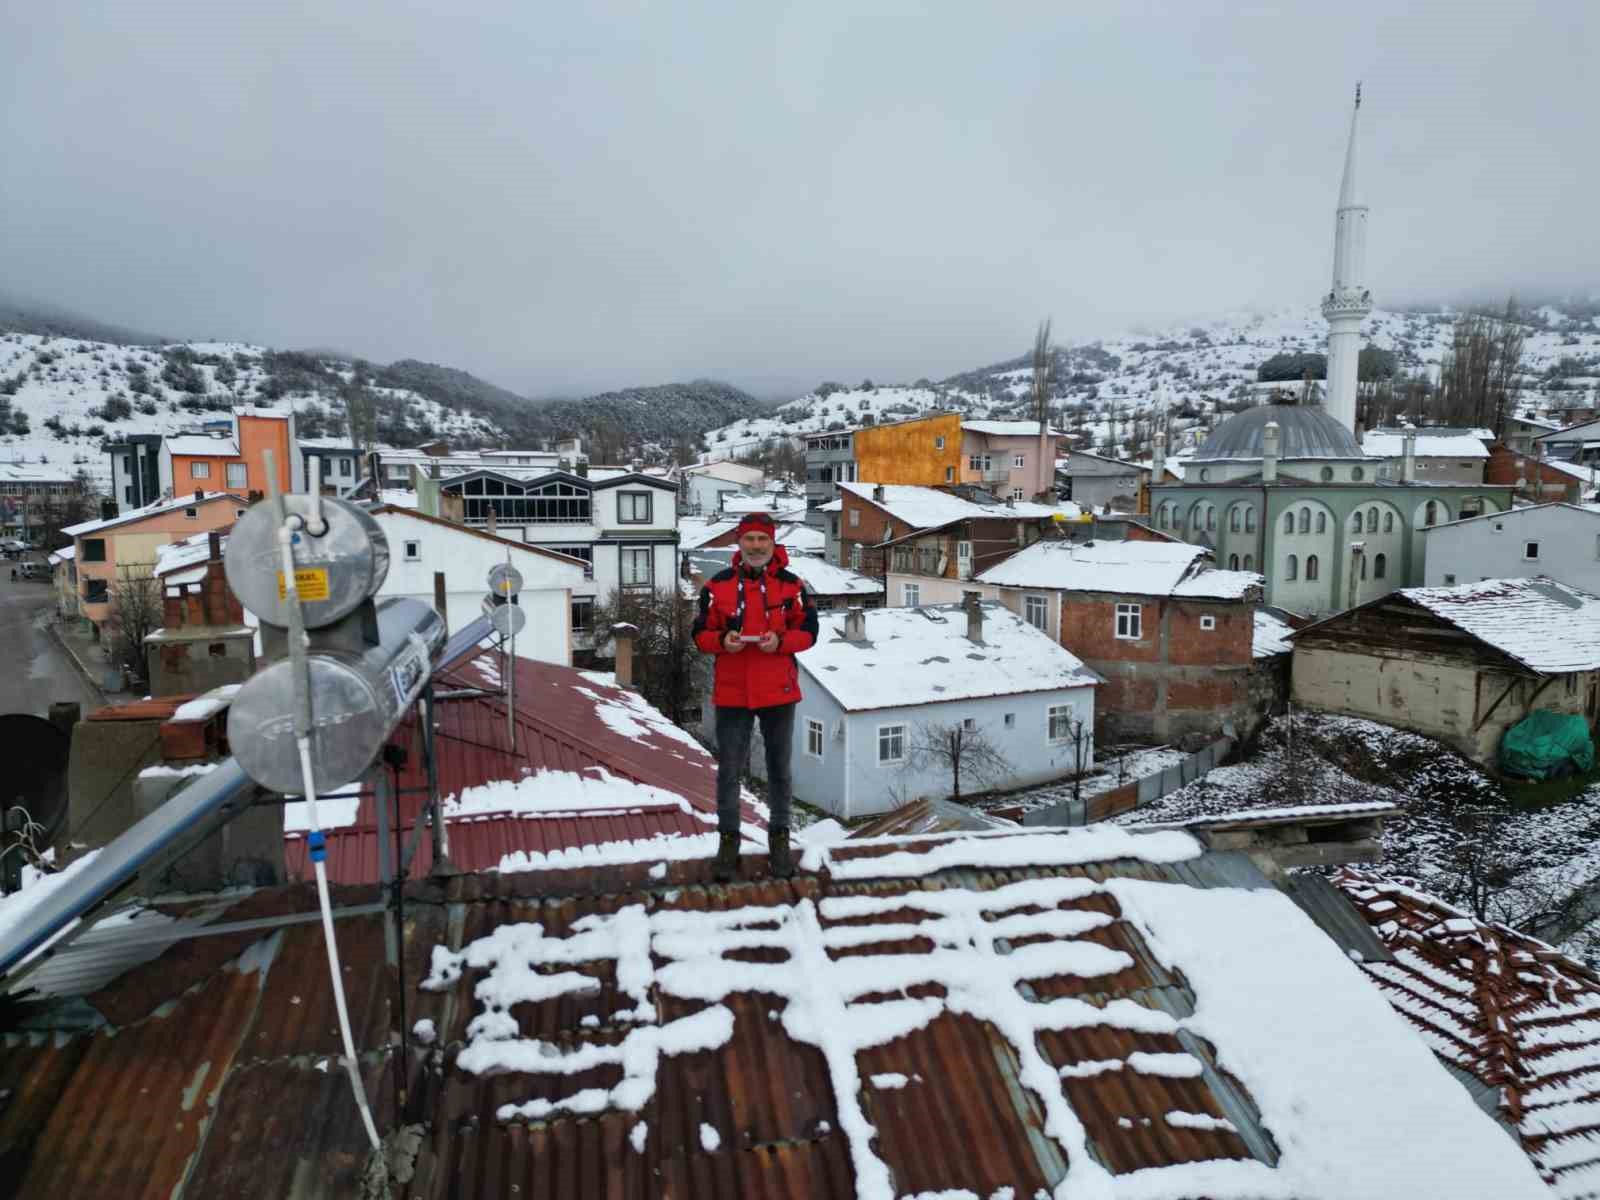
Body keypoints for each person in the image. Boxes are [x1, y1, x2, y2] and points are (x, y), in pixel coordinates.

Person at [692, 511, 817, 881]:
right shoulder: (716, 587)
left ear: (773, 543)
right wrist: (722, 640)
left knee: (779, 771)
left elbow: (810, 632)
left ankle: (779, 841)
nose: (757, 545)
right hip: (733, 693)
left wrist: (781, 641)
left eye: (763, 539)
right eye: (750, 539)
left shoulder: (793, 586)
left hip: (779, 691)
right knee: (729, 771)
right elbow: (699, 634)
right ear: (739, 542)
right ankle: (728, 844)